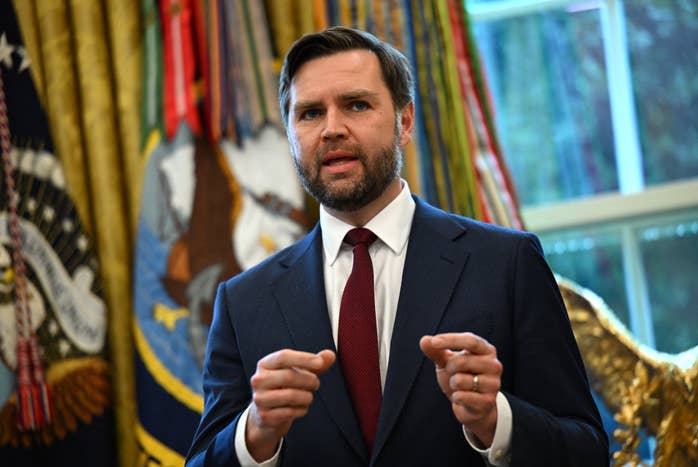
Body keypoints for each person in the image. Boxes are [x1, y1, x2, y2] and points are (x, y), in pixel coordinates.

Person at [185, 26, 608, 467]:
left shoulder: (507, 264)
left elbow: (588, 452)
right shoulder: (243, 302)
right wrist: (254, 434)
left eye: (357, 105)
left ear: (404, 122)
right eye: (310, 113)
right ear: (290, 134)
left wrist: (496, 421)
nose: (332, 129)